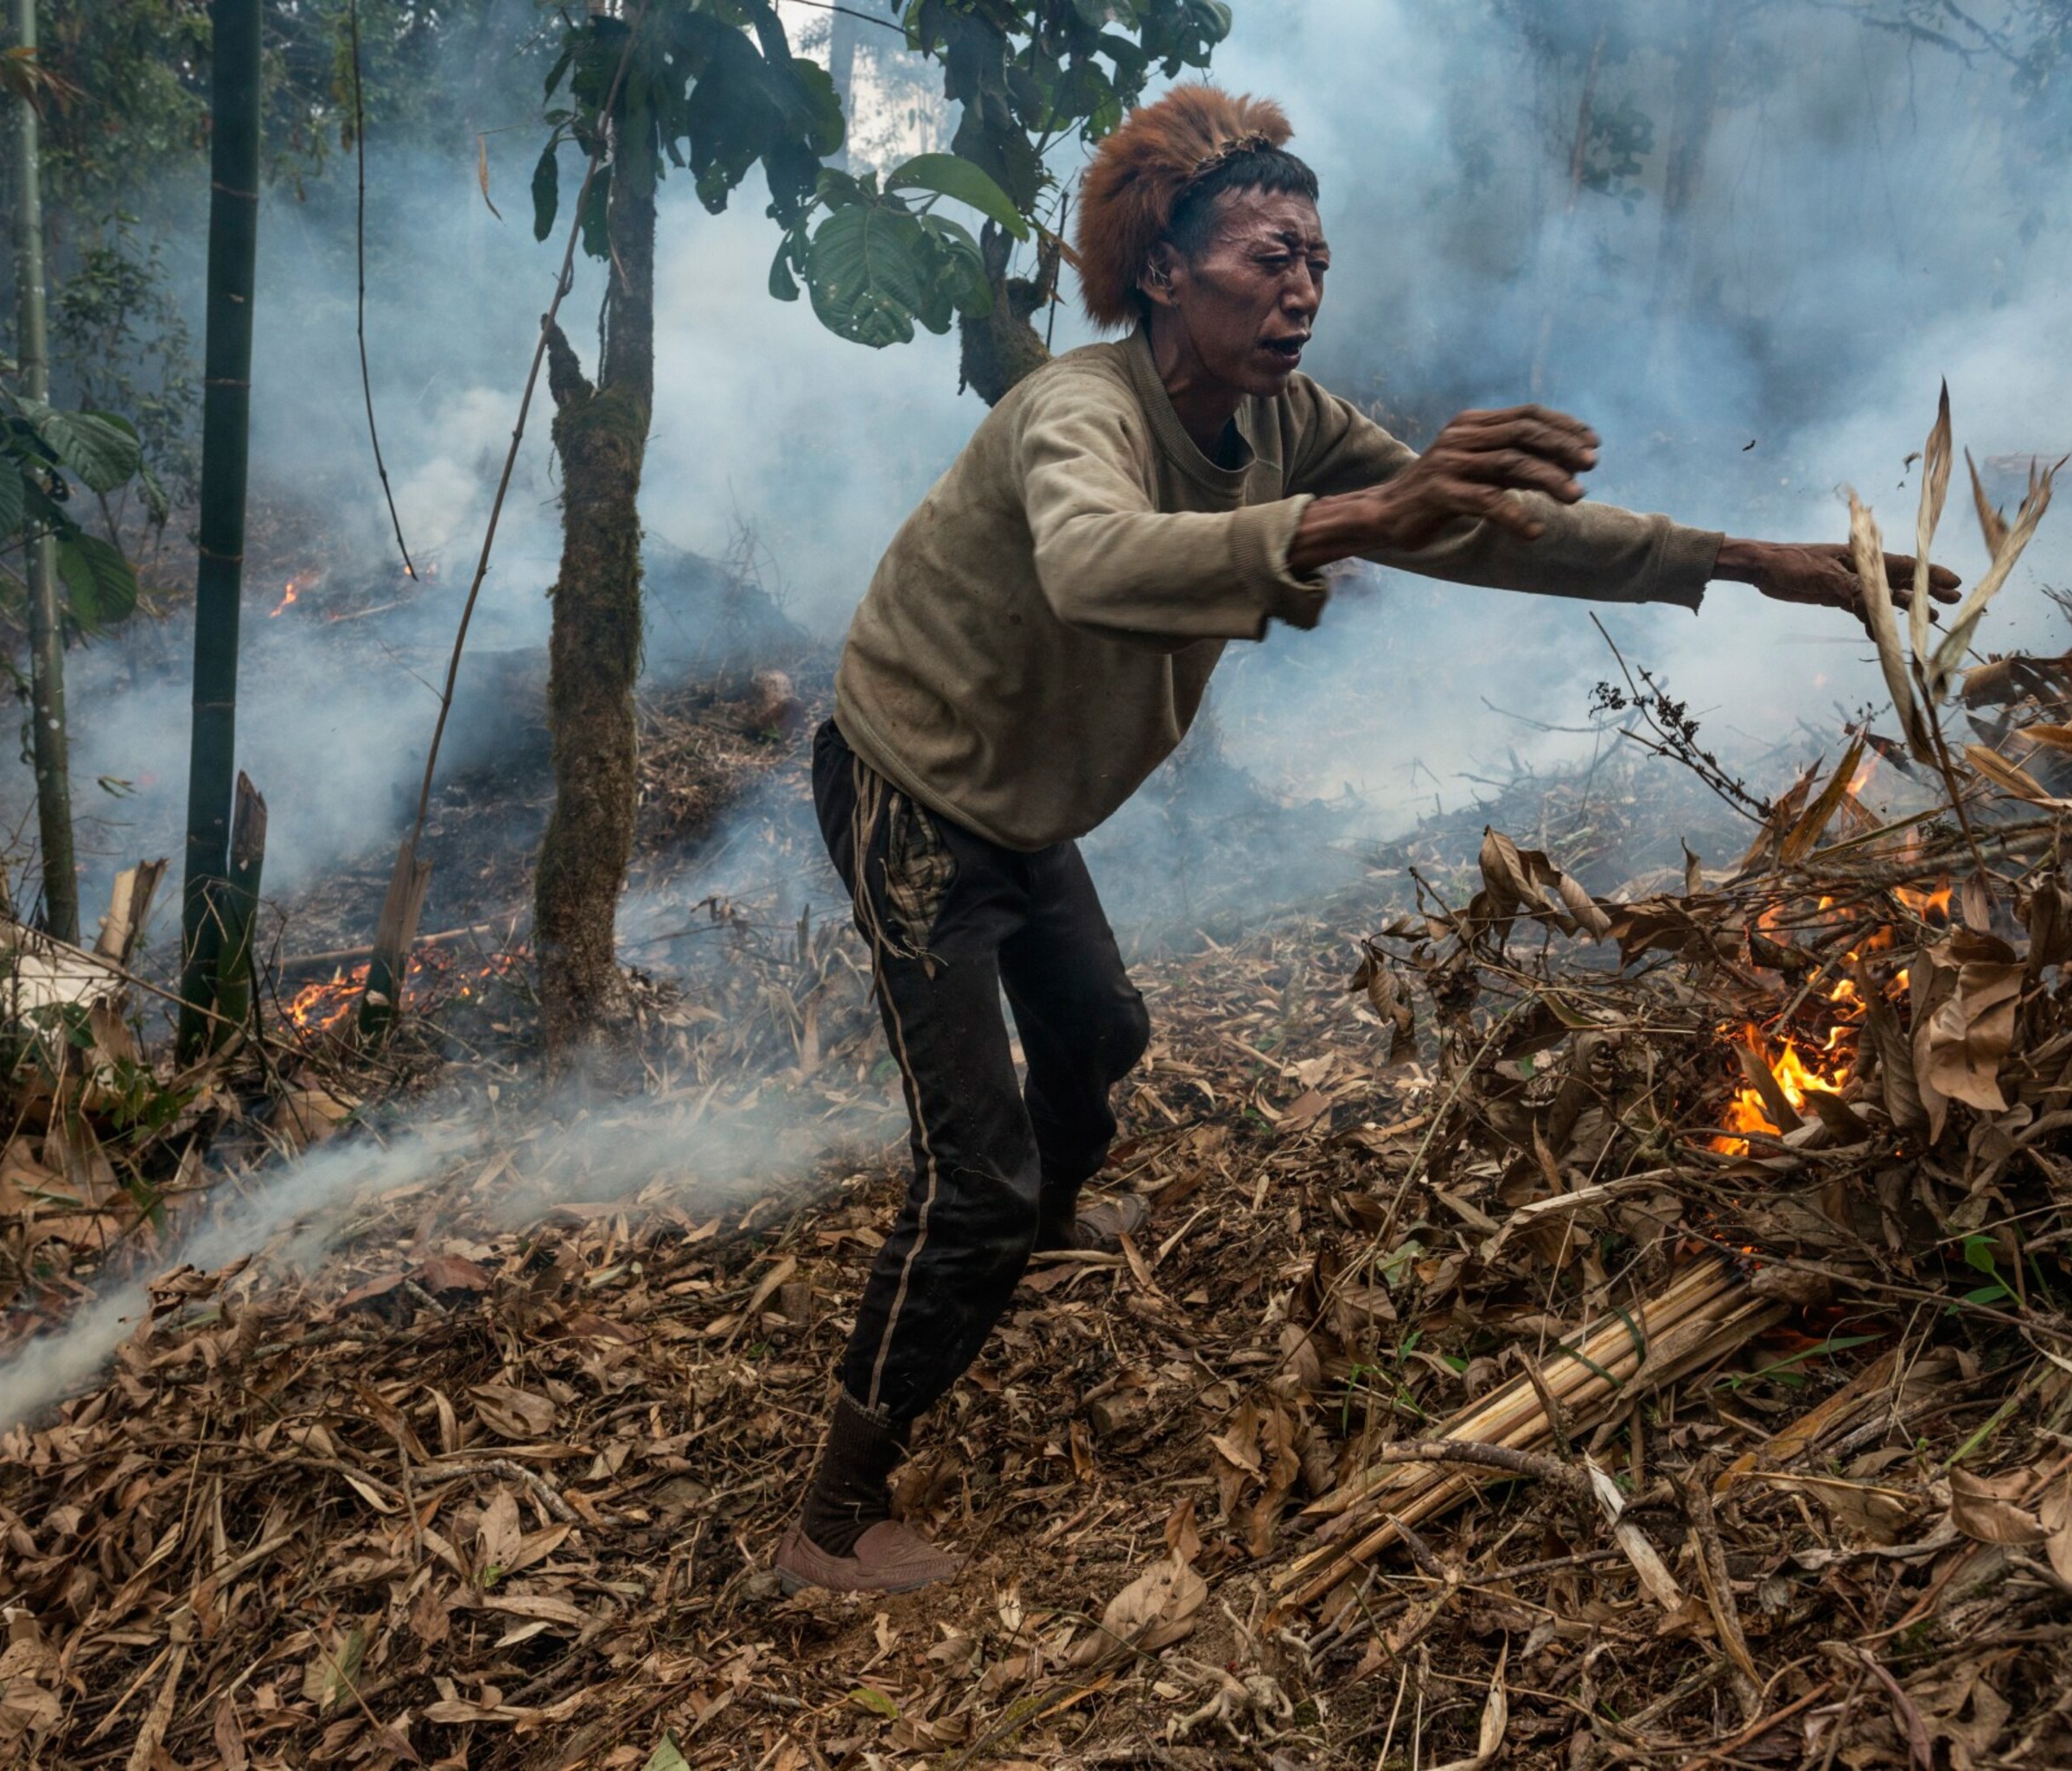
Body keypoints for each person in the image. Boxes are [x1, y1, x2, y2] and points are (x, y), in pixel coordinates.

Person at [774, 86, 1956, 1595]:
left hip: (1018, 800)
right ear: (1160, 273)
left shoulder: (1281, 423)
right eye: (1268, 257)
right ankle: (823, 1518)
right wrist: (1361, 514)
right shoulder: (1077, 411)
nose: (1302, 291)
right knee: (976, 1174)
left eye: (1317, 262)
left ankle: (1039, 1229)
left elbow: (1467, 525)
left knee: (1105, 1036)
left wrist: (1758, 563)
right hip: (912, 792)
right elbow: (1093, 562)